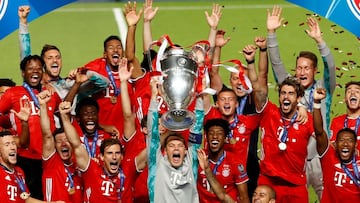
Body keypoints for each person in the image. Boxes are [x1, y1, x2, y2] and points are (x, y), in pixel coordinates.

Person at [266, 6, 336, 200]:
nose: (302, 72)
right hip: (294, 161)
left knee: (330, 198)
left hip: (321, 158)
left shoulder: (324, 89)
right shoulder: (289, 87)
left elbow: (330, 67)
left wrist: (320, 41)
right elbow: (276, 63)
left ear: (314, 71)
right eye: (299, 68)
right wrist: (271, 33)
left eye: (307, 68)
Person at [246, 43, 313, 203]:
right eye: (283, 93)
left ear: (298, 98)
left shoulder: (307, 118)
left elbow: (323, 140)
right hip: (268, 181)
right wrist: (250, 62)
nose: (286, 97)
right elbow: (258, 87)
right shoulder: (269, 112)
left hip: (295, 185)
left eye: (291, 94)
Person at [209, 33, 266, 199]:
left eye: (243, 78)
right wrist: (218, 47)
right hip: (221, 164)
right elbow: (213, 74)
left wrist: (261, 52)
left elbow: (262, 78)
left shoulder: (253, 101)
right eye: (235, 79)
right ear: (230, 81)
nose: (239, 82)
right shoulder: (224, 97)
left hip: (248, 165)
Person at [0, 55, 62, 200]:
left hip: (50, 157)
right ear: (23, 73)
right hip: (25, 158)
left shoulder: (51, 94)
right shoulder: (12, 93)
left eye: (39, 68)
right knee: (27, 197)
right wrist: (8, 137)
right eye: (30, 68)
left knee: (49, 196)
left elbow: (64, 115)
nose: (35, 71)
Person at [147, 75, 204, 203]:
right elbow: (153, 135)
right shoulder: (157, 166)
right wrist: (154, 97)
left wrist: (200, 95)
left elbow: (197, 128)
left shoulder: (191, 165)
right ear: (165, 151)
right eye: (171, 146)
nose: (176, 148)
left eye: (180, 146)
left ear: (185, 151)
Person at [59, 101, 127, 202]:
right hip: (78, 179)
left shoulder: (108, 136)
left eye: (93, 113)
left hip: (99, 181)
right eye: (86, 114)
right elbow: (75, 143)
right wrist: (64, 117)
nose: (90, 117)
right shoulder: (76, 131)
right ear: (78, 118)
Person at [313, 88, 360, 202]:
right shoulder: (329, 158)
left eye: (349, 140)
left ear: (355, 146)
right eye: (341, 140)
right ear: (334, 143)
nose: (345, 144)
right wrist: (316, 103)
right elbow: (319, 132)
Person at [38, 90, 83, 203]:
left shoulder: (79, 166)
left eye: (66, 140)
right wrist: (43, 106)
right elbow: (47, 135)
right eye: (59, 141)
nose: (63, 143)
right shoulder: (51, 162)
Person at [0, 130, 65, 203]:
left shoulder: (19, 172)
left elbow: (25, 199)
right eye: (7, 144)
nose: (12, 147)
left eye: (13, 143)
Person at [197, 118, 250, 203]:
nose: (215, 136)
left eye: (219, 133)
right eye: (211, 133)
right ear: (206, 138)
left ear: (225, 139)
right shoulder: (199, 157)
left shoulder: (235, 162)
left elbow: (244, 198)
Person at [330, 81, 360, 151]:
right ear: (344, 99)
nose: (353, 93)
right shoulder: (336, 121)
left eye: (357, 91)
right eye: (349, 91)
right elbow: (333, 147)